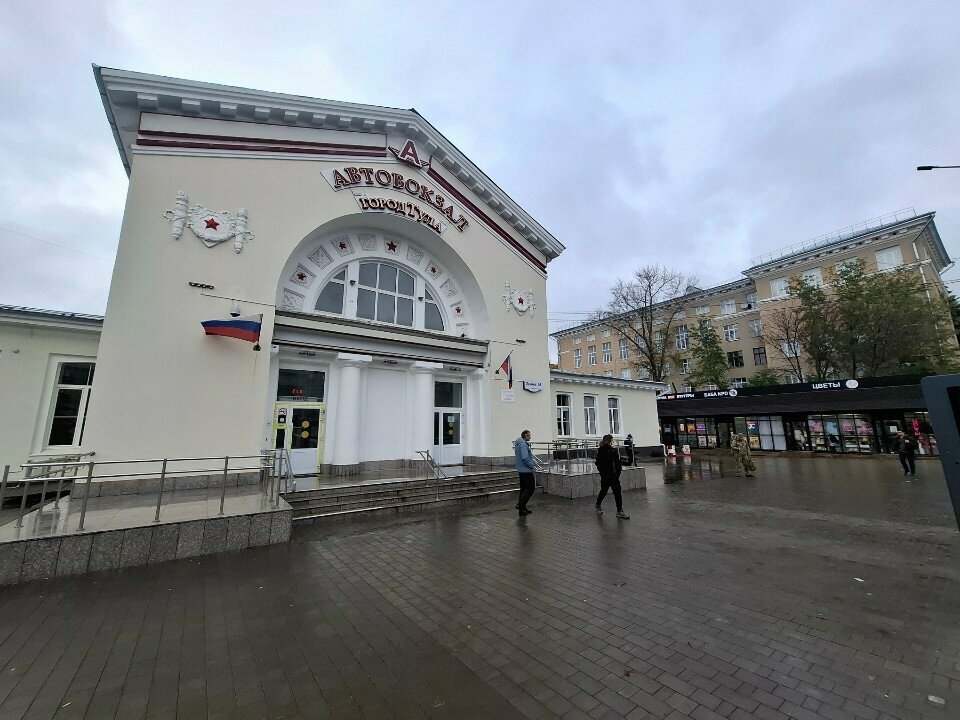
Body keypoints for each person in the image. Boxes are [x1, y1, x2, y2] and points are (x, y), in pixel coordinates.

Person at [595, 434, 629, 518]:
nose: (614, 442)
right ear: (609, 442)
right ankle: (598, 504)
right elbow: (599, 463)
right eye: (613, 441)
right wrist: (603, 473)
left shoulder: (613, 451)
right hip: (606, 476)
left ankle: (619, 511)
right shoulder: (602, 451)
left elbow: (617, 463)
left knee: (617, 492)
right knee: (604, 490)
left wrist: (618, 473)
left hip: (614, 476)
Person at [514, 430, 535, 515]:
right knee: (531, 488)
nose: (530, 437)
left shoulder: (520, 444)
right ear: (524, 436)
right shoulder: (523, 445)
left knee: (524, 489)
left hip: (521, 470)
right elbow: (525, 458)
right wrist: (531, 465)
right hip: (526, 470)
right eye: (528, 436)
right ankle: (520, 505)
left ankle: (522, 509)